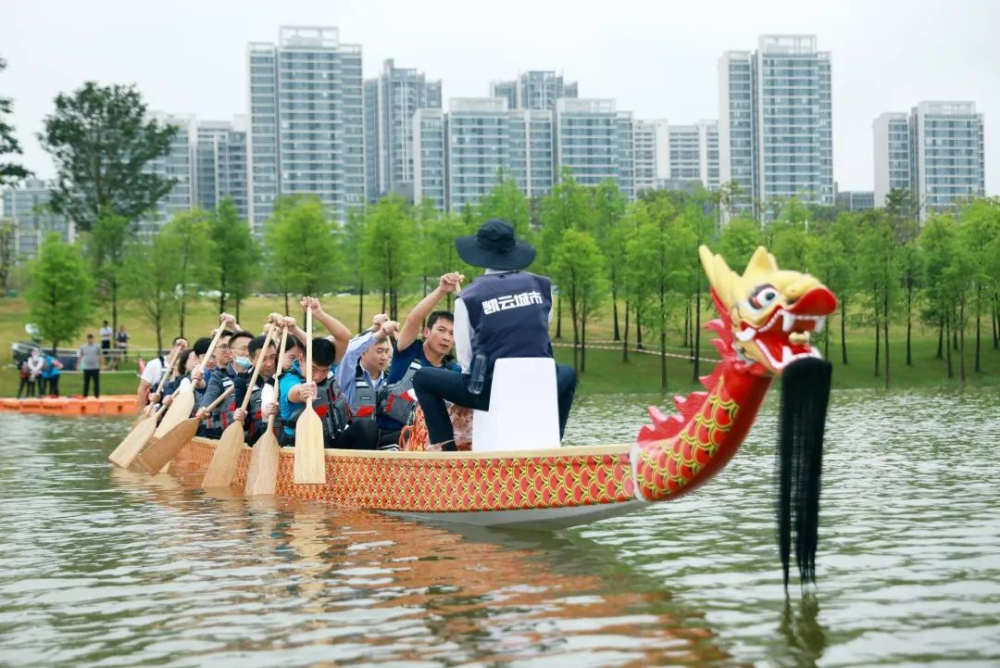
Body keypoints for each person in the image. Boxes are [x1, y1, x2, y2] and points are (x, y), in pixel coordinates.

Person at [413, 219, 578, 451]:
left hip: (490, 391)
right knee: (568, 374)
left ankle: (448, 452)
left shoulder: (468, 298)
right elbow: (540, 330)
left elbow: (466, 359)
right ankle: (552, 443)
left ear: (480, 252)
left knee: (422, 379)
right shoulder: (543, 287)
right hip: (538, 386)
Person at [376, 273, 464, 438]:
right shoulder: (408, 351)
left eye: (452, 334)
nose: (446, 337)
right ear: (426, 332)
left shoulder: (454, 372)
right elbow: (413, 319)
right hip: (391, 437)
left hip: (430, 444)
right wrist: (441, 290)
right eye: (441, 330)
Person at [335, 317, 401, 446]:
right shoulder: (347, 378)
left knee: (409, 431)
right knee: (367, 426)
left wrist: (394, 333)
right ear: (363, 352)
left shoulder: (391, 380)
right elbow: (349, 352)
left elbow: (409, 361)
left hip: (382, 438)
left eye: (387, 352)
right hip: (354, 438)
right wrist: (380, 332)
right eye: (379, 351)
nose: (384, 357)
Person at [195, 327, 250, 438]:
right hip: (224, 435)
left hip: (251, 436)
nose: (227, 351)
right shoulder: (217, 376)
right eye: (223, 347)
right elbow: (210, 392)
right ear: (213, 351)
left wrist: (234, 324)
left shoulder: (253, 372)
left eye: (229, 347)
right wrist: (204, 408)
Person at [231, 333, 278, 445]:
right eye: (263, 359)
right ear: (251, 360)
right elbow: (245, 422)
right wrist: (240, 417)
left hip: (285, 441)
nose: (269, 364)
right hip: (258, 442)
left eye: (273, 357)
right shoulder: (242, 382)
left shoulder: (286, 376)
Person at [136, 337, 188, 413]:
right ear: (171, 347)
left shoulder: (187, 367)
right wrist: (141, 411)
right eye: (179, 346)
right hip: (157, 407)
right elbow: (142, 388)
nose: (181, 350)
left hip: (178, 406)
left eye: (184, 349)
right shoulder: (154, 364)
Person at [77, 333, 104, 398]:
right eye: (89, 339)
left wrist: (102, 365)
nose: (90, 340)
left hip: (95, 367)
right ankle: (85, 396)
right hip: (87, 367)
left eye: (91, 339)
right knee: (86, 383)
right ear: (87, 339)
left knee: (96, 383)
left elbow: (101, 356)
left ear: (93, 339)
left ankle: (96, 396)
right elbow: (80, 356)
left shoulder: (97, 346)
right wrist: (78, 364)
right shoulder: (83, 347)